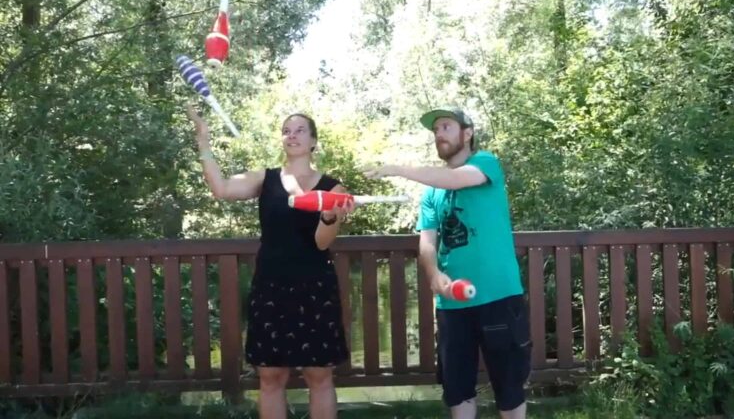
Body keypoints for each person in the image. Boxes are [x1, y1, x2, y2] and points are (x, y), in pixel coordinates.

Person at [186, 105, 353, 419]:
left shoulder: (332, 187)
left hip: (314, 286)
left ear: (314, 141)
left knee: (319, 375)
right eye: (287, 130)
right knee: (270, 375)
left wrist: (330, 214)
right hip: (271, 286)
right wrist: (204, 142)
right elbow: (220, 189)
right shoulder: (266, 178)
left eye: (300, 130)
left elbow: (322, 242)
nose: (292, 135)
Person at [363, 107, 531, 419]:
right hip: (452, 303)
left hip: (498, 295)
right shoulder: (431, 192)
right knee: (457, 390)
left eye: (446, 127)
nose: (439, 134)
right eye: (436, 129)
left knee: (509, 388)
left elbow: (454, 180)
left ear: (467, 134)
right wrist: (433, 273)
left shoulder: (485, 164)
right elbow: (427, 241)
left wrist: (398, 168)